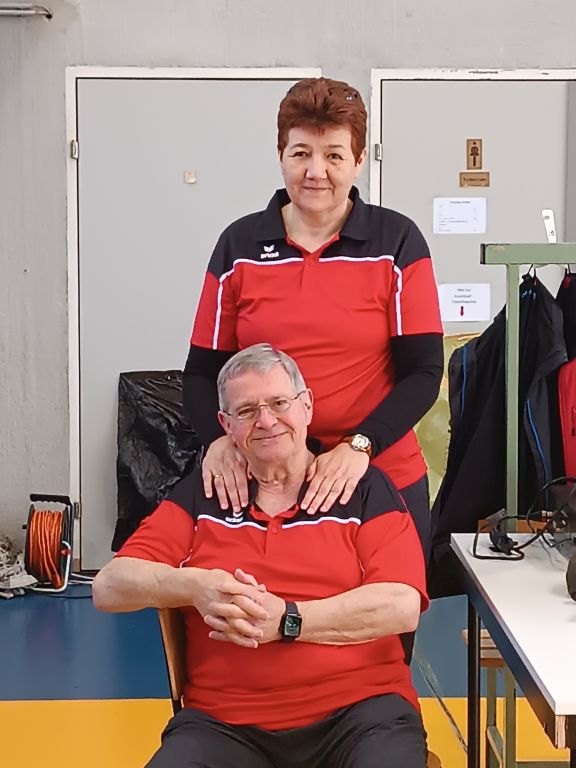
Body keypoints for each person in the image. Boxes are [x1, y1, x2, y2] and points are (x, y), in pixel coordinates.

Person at [93, 344, 429, 768]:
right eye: (247, 410)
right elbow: (108, 587)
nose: (266, 421)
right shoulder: (203, 495)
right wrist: (194, 585)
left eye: (279, 403)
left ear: (307, 406)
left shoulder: (363, 490)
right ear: (225, 425)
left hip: (362, 715)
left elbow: (401, 606)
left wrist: (288, 620)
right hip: (223, 725)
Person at [182, 77, 443, 559]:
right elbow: (200, 373)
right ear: (281, 154)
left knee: (388, 606)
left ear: (359, 161)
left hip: (376, 475)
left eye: (334, 156)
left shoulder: (397, 242)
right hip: (265, 480)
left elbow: (424, 371)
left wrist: (360, 446)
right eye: (300, 153)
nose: (315, 172)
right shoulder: (238, 246)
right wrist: (219, 442)